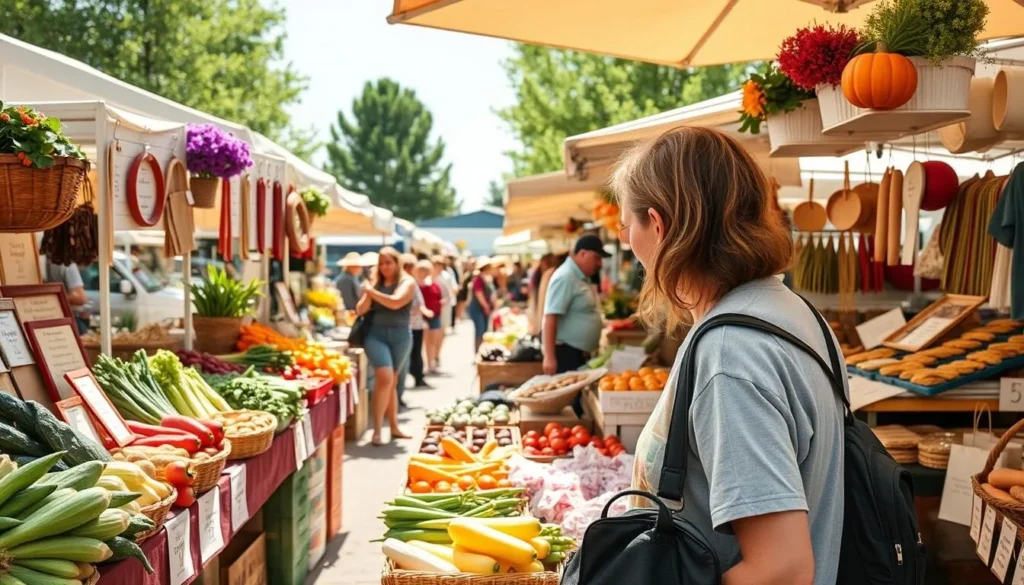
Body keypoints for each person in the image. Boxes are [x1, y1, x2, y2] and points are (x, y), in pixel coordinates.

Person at [614, 127, 843, 585]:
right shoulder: (792, 312)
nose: (628, 243)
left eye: (627, 225)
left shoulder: (730, 355)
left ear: (658, 226)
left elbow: (782, 569)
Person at [355, 247, 415, 445]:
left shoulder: (407, 282)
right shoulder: (376, 283)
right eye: (381, 263)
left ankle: (395, 427)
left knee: (392, 381)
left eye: (388, 262)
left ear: (397, 263)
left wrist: (372, 291)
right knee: (385, 377)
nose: (384, 267)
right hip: (376, 335)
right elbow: (360, 310)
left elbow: (396, 302)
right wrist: (369, 294)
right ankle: (378, 430)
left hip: (400, 336)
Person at [541, 235, 608, 376]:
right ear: (582, 254)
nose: (599, 263)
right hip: (568, 355)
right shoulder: (566, 277)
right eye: (596, 257)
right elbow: (550, 317)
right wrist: (549, 357)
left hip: (578, 354)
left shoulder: (580, 276)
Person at [399, 254, 433, 395]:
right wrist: (422, 310)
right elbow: (410, 304)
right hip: (410, 324)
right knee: (411, 354)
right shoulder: (406, 283)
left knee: (415, 352)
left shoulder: (409, 282)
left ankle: (418, 376)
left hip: (415, 323)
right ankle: (417, 376)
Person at [45, 259, 88, 333]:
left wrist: (49, 299)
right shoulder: (65, 263)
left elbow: (80, 297)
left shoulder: (65, 263)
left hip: (64, 321)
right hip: (62, 322)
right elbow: (80, 297)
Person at [466, 257, 495, 351]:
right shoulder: (478, 278)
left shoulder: (486, 278)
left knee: (483, 330)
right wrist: (486, 306)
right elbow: (479, 294)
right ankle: (478, 350)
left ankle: (481, 349)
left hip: (483, 308)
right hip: (477, 308)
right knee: (480, 329)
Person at [431, 256, 456, 365]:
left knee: (442, 331)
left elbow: (452, 290)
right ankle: (432, 355)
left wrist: (445, 300)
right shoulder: (430, 276)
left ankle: (437, 354)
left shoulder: (446, 276)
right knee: (434, 332)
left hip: (445, 306)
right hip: (433, 307)